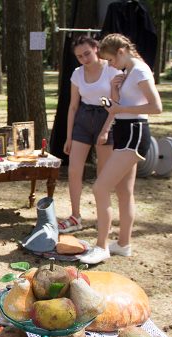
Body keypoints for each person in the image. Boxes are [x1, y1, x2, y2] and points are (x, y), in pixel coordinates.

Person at [80, 33, 162, 264]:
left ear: (122, 51)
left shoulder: (140, 71)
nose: (110, 65)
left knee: (100, 188)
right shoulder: (127, 73)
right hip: (125, 131)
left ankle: (101, 246)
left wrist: (120, 107)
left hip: (135, 134)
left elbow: (156, 107)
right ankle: (123, 244)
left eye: (111, 60)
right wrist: (114, 95)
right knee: (124, 192)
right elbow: (115, 107)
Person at [58, 35, 121, 233]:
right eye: (79, 56)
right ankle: (75, 216)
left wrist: (106, 129)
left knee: (103, 175)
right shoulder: (77, 74)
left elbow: (116, 105)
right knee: (74, 170)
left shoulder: (111, 70)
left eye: (87, 53)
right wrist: (68, 136)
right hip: (83, 120)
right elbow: (73, 106)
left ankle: (103, 218)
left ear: (96, 48)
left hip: (106, 117)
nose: (84, 59)